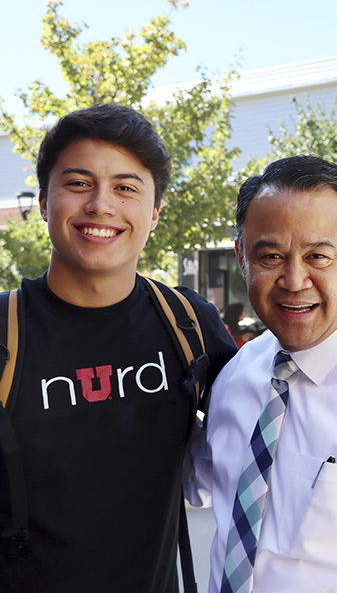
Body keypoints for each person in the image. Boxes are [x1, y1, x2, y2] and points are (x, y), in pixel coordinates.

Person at [0, 103, 237, 593]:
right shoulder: (3, 331)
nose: (101, 205)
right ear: (44, 200)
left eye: (126, 188)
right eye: (79, 183)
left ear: (153, 213)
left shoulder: (190, 326)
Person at [185, 155, 337, 592]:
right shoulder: (234, 376)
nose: (294, 279)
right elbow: (194, 484)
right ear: (243, 259)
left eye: (318, 255)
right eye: (271, 256)